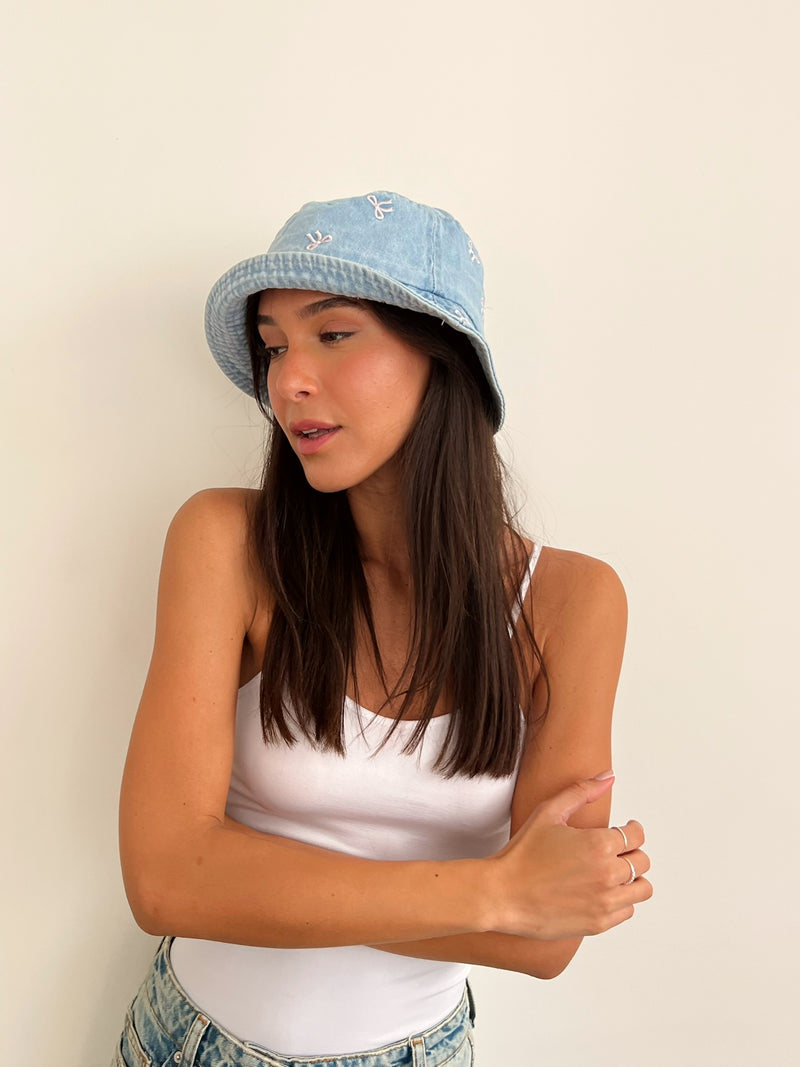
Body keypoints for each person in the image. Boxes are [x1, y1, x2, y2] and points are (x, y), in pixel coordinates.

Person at [113, 191, 651, 1067]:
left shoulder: (572, 601)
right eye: (274, 346)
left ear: (444, 358)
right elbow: (166, 880)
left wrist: (250, 879)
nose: (287, 379)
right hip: (189, 1043)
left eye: (333, 333)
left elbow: (548, 937)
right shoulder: (226, 542)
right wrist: (495, 890)